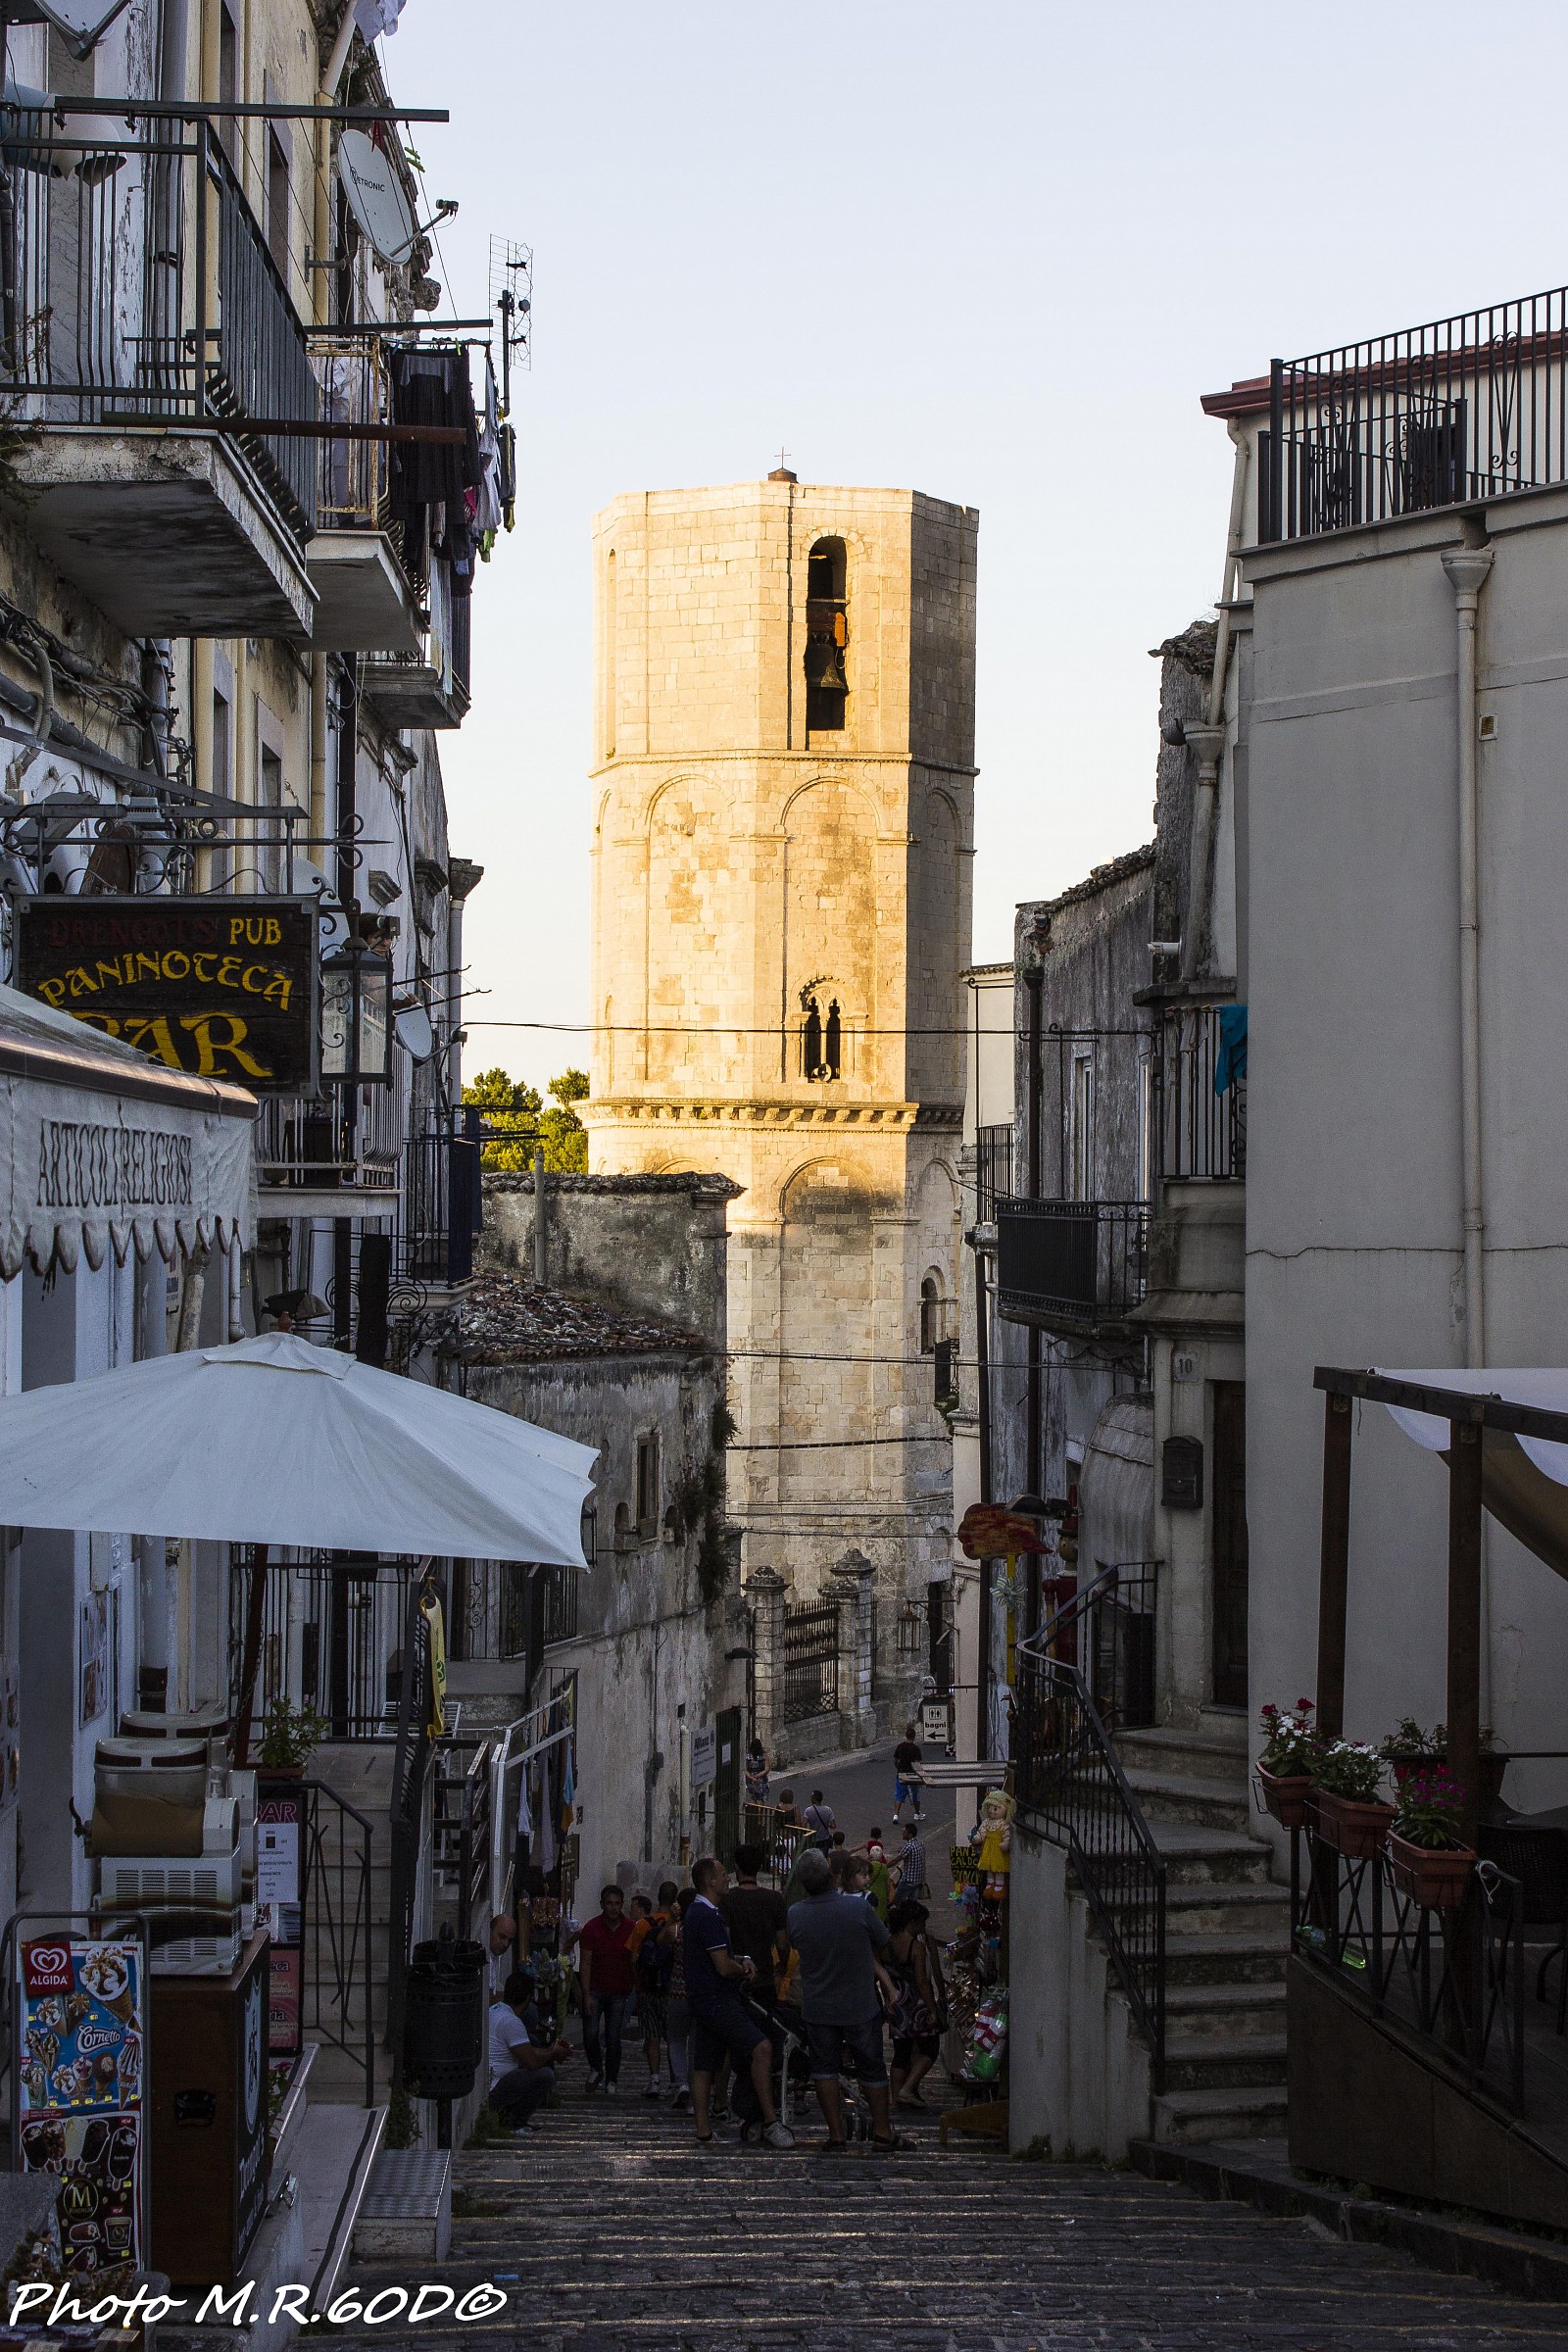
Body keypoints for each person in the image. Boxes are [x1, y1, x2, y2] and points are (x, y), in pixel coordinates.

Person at [787, 1845, 900, 2151]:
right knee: (872, 2068)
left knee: (824, 2069)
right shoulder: (858, 1908)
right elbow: (884, 1942)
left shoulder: (796, 1915)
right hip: (860, 2004)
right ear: (830, 1876)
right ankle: (881, 2132)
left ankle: (836, 2135)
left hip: (819, 2006)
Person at [683, 1854, 795, 2150]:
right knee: (762, 2047)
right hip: (719, 1999)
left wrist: (739, 1959)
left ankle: (703, 2130)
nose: (726, 1878)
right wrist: (742, 1967)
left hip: (705, 2000)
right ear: (710, 1881)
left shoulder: (700, 1913)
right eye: (721, 1874)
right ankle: (771, 2121)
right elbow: (721, 1965)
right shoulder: (707, 1916)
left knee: (705, 2063)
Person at [488, 1966, 571, 2133]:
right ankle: (514, 2122)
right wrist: (552, 2053)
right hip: (494, 2088)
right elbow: (532, 2062)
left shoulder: (496, 2010)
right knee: (545, 2076)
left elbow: (528, 2051)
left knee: (532, 2041)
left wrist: (550, 2051)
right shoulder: (511, 2022)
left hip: (497, 2078)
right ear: (528, 1999)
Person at [577, 1884, 637, 2093]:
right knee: (590, 2032)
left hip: (620, 1990)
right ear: (602, 1904)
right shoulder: (592, 1928)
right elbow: (585, 1962)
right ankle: (596, 2067)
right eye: (609, 1904)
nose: (613, 1908)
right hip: (595, 1988)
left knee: (613, 2036)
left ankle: (612, 2078)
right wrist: (586, 1994)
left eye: (617, 1904)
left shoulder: (631, 1928)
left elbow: (634, 1959)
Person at [885, 1900, 942, 2108]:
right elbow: (922, 1982)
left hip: (895, 2002)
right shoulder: (916, 1947)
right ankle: (906, 2089)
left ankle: (894, 2099)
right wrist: (932, 2009)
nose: (923, 1928)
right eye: (920, 1923)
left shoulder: (887, 1944)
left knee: (901, 2051)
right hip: (915, 2004)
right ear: (911, 1922)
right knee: (929, 2049)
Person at [719, 1842, 790, 2007]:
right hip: (764, 1977)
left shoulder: (727, 1900)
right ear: (758, 1867)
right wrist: (783, 1966)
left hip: (736, 1976)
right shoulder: (774, 1899)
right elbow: (782, 1943)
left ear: (737, 1867)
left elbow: (725, 1938)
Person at [633, 1888, 673, 2099]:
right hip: (670, 1992)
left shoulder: (643, 1924)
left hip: (648, 1990)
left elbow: (633, 1957)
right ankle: (678, 2081)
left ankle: (655, 2079)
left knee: (653, 2037)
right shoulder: (677, 1927)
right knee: (675, 2039)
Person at [664, 1884, 695, 2107]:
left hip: (676, 1991)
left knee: (675, 2040)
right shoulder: (708, 1928)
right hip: (698, 1993)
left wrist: (671, 1917)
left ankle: (682, 2082)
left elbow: (660, 1942)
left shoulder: (676, 1930)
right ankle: (696, 2085)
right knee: (695, 2043)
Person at [893, 1724, 925, 1823]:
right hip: (912, 1775)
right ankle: (917, 1813)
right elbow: (917, 1763)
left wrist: (898, 1768)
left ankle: (895, 1815)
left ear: (906, 1736)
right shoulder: (916, 1749)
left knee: (899, 1796)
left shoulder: (900, 1747)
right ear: (914, 1737)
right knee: (915, 1795)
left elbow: (895, 1759)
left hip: (901, 1774)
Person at [896, 1820, 929, 1902]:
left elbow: (896, 1859)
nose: (902, 1833)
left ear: (910, 1834)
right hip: (918, 1880)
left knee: (897, 1900)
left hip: (908, 1880)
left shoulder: (909, 1846)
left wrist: (885, 1865)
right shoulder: (920, 1843)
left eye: (904, 1832)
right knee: (912, 1903)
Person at [486, 1912, 517, 1996]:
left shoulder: (493, 1954)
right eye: (502, 1937)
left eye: (510, 1940)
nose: (506, 1944)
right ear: (490, 1930)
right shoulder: (484, 1958)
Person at [745, 1736, 770, 1807]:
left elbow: (745, 1769)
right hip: (761, 1781)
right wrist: (757, 1776)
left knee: (753, 1799)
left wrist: (751, 1777)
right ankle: (759, 1817)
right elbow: (767, 1769)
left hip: (751, 1781)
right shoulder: (764, 1755)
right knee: (761, 1800)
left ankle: (754, 1816)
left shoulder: (748, 1756)